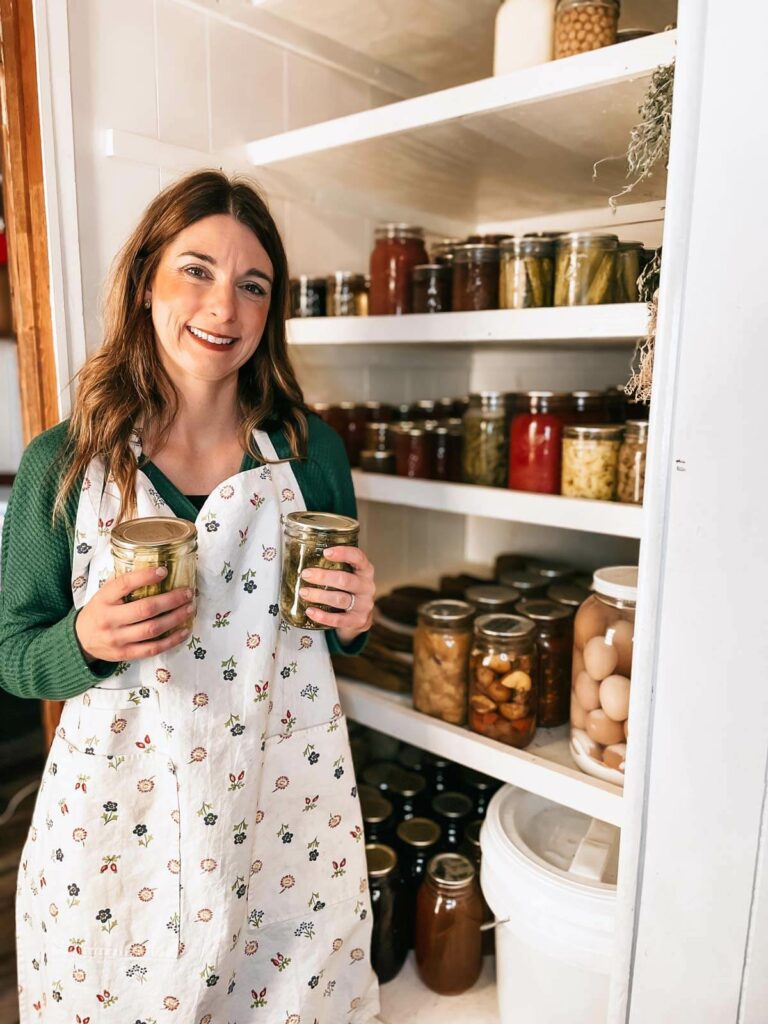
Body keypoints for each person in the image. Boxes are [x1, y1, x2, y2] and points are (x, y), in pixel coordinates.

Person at [1, 170, 380, 1023]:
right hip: (117, 820)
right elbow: (13, 656)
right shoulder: (61, 465)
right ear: (146, 283)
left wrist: (358, 618)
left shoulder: (309, 453)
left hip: (278, 813)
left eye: (253, 285)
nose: (225, 308)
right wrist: (85, 638)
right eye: (196, 270)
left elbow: (335, 622)